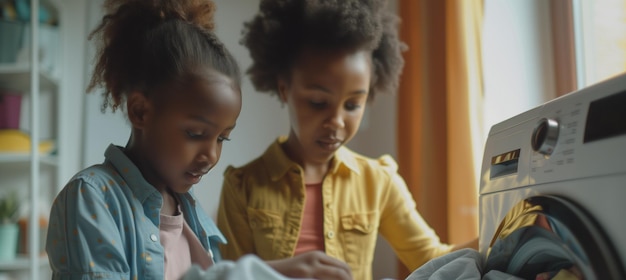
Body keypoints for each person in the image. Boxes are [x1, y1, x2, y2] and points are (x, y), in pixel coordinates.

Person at [45, 0, 351, 279]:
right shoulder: (92, 198)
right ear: (140, 112)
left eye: (222, 139)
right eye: (195, 134)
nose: (211, 156)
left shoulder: (188, 210)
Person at [216, 1, 478, 280]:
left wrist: (509, 233)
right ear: (284, 88)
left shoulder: (378, 181)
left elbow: (435, 258)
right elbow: (231, 275)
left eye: (352, 105)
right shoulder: (242, 187)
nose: (337, 122)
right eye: (318, 103)